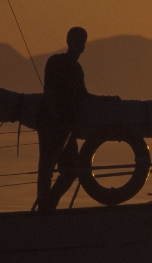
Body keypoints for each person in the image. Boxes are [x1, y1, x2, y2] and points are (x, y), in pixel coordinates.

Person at [36, 27, 118, 212]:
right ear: (68, 41)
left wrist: (108, 99)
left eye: (82, 42)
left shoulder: (77, 69)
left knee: (71, 170)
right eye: (76, 41)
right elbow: (49, 93)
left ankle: (49, 203)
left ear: (84, 46)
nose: (79, 45)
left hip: (68, 127)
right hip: (51, 124)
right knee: (47, 167)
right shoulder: (55, 61)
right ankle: (44, 207)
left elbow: (84, 95)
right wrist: (56, 118)